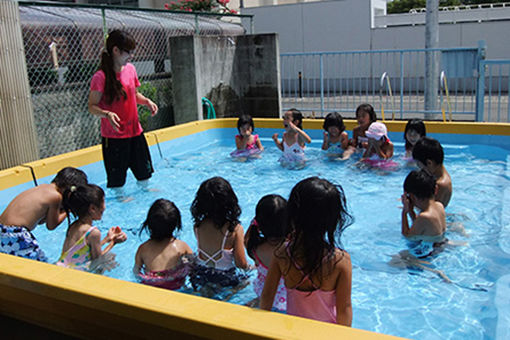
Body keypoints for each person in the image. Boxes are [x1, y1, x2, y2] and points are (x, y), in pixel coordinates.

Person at [260, 177, 353, 326]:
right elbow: (344, 310)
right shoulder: (340, 261)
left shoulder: (283, 254)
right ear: (333, 220)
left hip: (293, 333)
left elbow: (266, 298)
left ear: (293, 214)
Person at [88, 29, 158, 188]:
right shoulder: (100, 77)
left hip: (136, 133)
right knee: (117, 182)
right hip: (114, 138)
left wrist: (146, 101)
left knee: (144, 175)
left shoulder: (131, 69)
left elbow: (133, 94)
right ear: (115, 50)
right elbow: (92, 107)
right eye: (128, 52)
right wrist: (106, 114)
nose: (131, 56)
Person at [0, 167, 88, 262]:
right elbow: (51, 225)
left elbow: (40, 220)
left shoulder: (43, 187)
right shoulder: (55, 196)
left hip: (2, 231)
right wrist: (69, 209)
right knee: (42, 267)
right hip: (16, 235)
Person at [189, 177, 249, 293]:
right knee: (246, 281)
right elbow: (241, 263)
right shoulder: (235, 230)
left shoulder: (198, 226)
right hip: (224, 277)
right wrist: (251, 268)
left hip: (201, 273)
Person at [56, 184, 127, 270]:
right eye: (103, 202)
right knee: (110, 258)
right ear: (92, 208)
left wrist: (106, 239)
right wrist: (113, 243)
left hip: (61, 268)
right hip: (75, 274)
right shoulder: (93, 232)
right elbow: (97, 262)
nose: (104, 207)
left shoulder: (74, 225)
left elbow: (83, 252)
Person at [134, 199, 193, 290]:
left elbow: (136, 273)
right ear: (176, 224)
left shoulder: (142, 249)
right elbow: (193, 267)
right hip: (175, 284)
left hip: (151, 285)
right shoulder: (182, 247)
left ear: (149, 224)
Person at [245, 194, 288, 311]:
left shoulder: (254, 247)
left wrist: (254, 223)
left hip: (262, 292)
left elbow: (247, 238)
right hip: (286, 300)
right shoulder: (290, 250)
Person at [401, 170, 446, 258]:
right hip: (439, 246)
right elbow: (421, 229)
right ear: (435, 189)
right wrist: (411, 211)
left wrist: (404, 212)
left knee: (395, 261)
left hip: (427, 253)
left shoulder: (424, 216)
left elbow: (407, 236)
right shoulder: (439, 206)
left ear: (412, 196)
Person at [412, 137, 452, 208]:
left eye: (419, 165)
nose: (420, 168)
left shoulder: (440, 184)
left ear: (429, 163)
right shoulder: (437, 172)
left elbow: (429, 211)